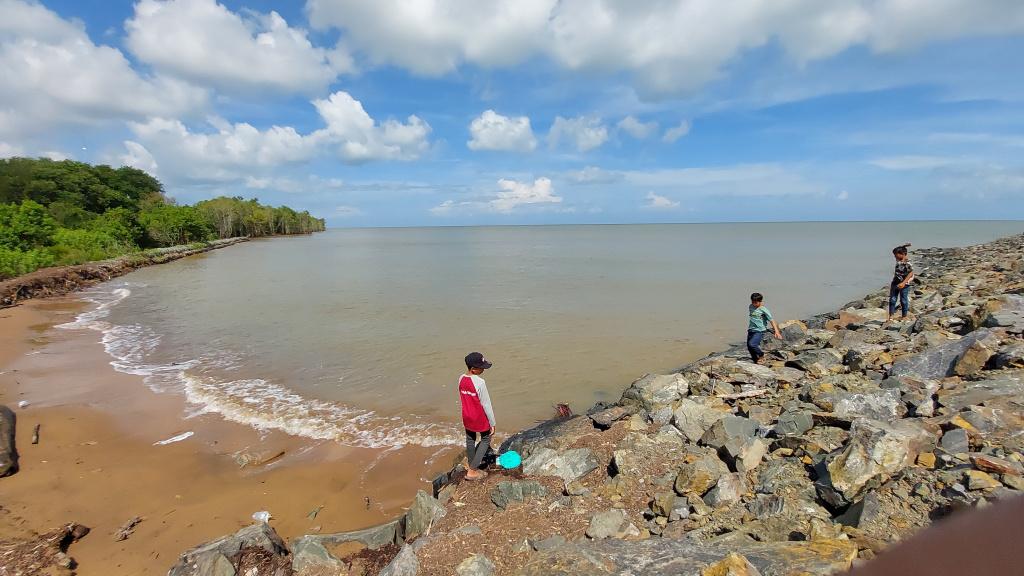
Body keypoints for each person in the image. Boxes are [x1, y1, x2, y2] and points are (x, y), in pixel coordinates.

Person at [458, 352, 496, 480]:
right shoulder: (480, 382)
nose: (483, 369)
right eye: (481, 367)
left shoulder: (461, 378)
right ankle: (473, 471)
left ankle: (471, 464)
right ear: (473, 369)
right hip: (479, 417)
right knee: (486, 439)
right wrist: (492, 422)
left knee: (470, 439)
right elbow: (486, 404)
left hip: (466, 415)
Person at [747, 292, 782, 364]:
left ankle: (761, 355)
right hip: (751, 329)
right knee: (749, 347)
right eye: (752, 302)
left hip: (759, 331)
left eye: (756, 302)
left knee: (752, 344)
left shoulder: (764, 310)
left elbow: (771, 320)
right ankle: (756, 361)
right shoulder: (751, 306)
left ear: (760, 301)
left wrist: (777, 331)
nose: (754, 303)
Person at [887, 243, 915, 323]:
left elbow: (911, 273)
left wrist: (903, 283)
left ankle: (904, 316)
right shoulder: (898, 261)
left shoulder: (907, 263)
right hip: (895, 283)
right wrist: (904, 246)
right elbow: (901, 249)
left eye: (896, 255)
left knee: (903, 300)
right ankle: (891, 316)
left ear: (902, 254)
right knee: (892, 300)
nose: (895, 257)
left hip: (904, 284)